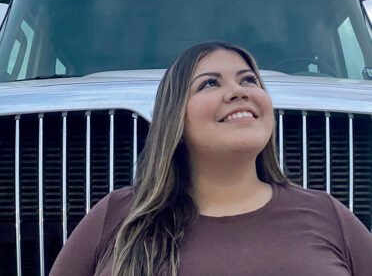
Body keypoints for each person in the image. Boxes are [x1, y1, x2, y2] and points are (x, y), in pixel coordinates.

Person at [50, 41, 372, 276]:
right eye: (209, 84)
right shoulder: (118, 217)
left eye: (248, 80)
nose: (239, 91)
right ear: (174, 119)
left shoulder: (329, 216)